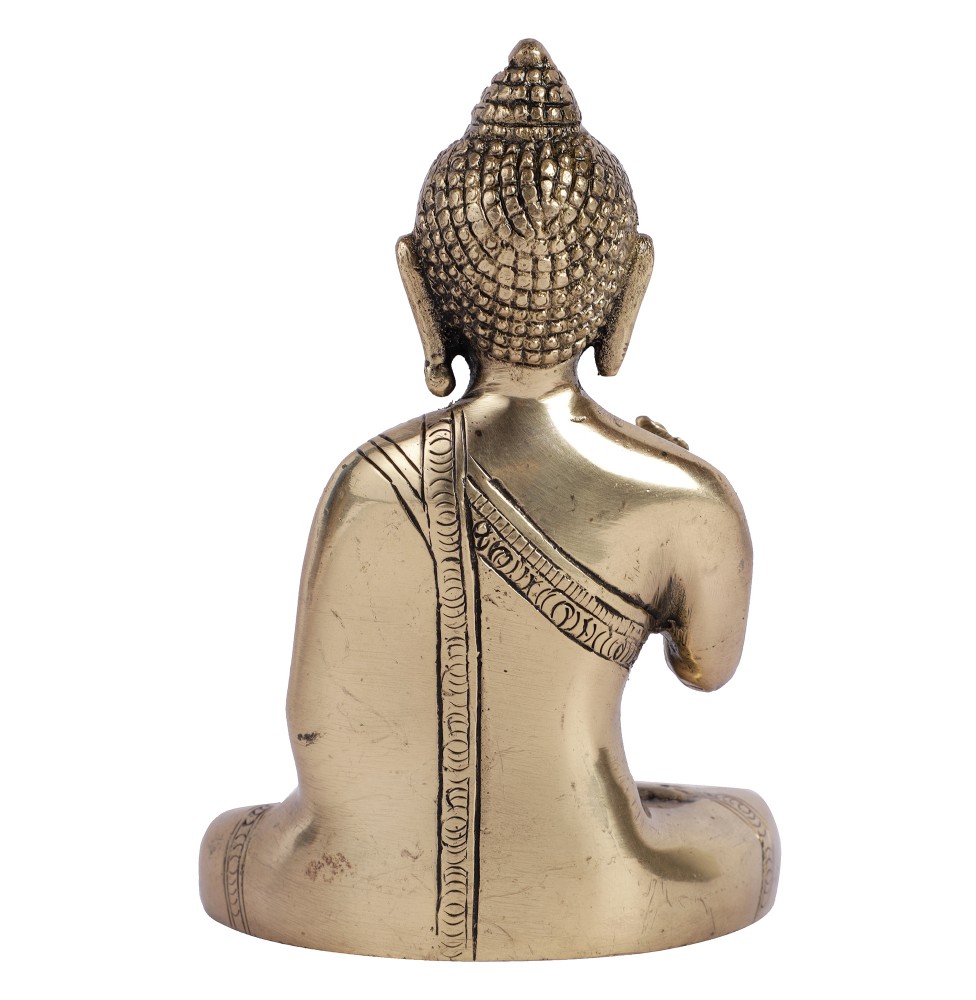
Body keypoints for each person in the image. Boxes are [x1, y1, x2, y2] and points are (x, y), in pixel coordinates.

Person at [200, 39, 778, 961]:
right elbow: (707, 671)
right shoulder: (686, 498)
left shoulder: (367, 481)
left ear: (418, 287)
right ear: (631, 285)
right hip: (601, 883)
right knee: (746, 824)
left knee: (225, 842)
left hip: (348, 891)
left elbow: (315, 739)